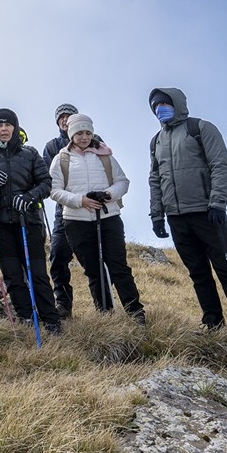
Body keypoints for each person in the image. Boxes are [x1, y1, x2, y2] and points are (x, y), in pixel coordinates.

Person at [148, 88, 227, 337]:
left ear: (177, 103)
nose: (159, 109)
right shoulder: (156, 141)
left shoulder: (201, 128)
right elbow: (155, 179)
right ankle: (213, 326)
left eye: (164, 103)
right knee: (198, 273)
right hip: (177, 218)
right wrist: (157, 215)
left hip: (207, 213)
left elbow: (221, 165)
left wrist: (218, 203)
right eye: (155, 106)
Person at [49, 113, 145, 323]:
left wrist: (109, 194)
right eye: (79, 132)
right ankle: (106, 316)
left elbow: (123, 181)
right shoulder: (61, 159)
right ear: (71, 133)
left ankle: (136, 315)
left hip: (109, 217)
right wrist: (80, 200)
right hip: (75, 221)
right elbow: (54, 191)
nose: (84, 137)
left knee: (119, 266)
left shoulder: (105, 155)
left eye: (88, 132)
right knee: (93, 270)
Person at [0, 108, 63, 334]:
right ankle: (25, 316)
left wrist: (29, 197)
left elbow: (46, 183)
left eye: (8, 124)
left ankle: (51, 320)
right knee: (13, 274)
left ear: (15, 127)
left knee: (37, 273)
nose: (4, 129)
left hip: (29, 222)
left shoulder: (30, 153)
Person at [41, 103, 80, 319]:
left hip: (90, 210)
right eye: (61, 117)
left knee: (93, 260)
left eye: (70, 116)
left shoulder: (93, 140)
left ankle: (104, 306)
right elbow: (47, 179)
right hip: (63, 211)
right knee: (57, 257)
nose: (65, 120)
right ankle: (64, 306)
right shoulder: (52, 146)